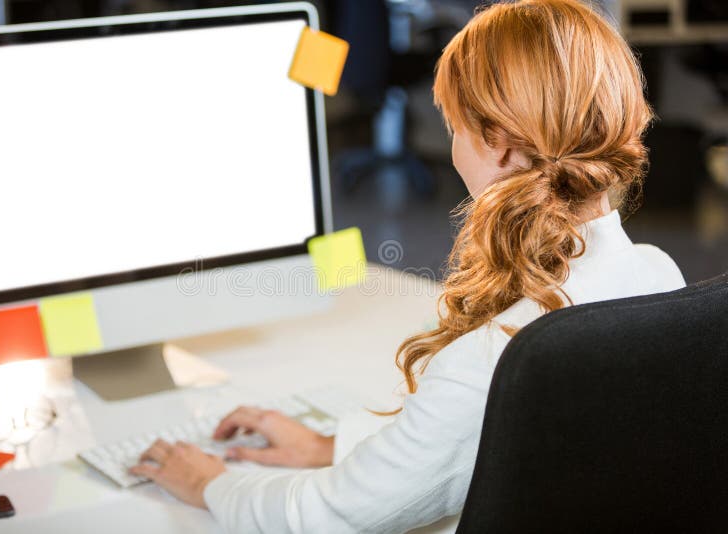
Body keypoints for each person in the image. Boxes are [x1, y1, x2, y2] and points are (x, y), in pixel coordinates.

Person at [130, 0, 686, 531]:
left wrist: (210, 483)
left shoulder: (492, 355)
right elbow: (463, 453)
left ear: (499, 143)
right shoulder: (660, 279)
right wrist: (332, 446)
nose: (452, 150)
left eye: (455, 129)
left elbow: (326, 518)